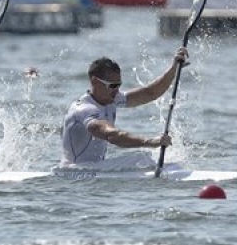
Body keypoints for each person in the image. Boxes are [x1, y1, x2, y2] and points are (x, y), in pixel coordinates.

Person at [60, 48, 188, 167]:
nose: (117, 90)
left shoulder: (112, 99)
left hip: (94, 169)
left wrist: (174, 67)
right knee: (141, 158)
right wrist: (150, 141)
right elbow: (113, 136)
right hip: (75, 171)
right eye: (112, 85)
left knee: (144, 160)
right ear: (95, 81)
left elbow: (150, 93)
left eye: (119, 85)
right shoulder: (84, 109)